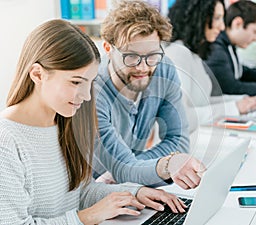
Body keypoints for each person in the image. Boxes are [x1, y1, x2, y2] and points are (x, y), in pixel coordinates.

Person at [0, 19, 189, 225]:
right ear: (37, 74)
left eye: (89, 84)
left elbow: (81, 192)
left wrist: (135, 192)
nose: (86, 96)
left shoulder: (65, 122)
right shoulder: (7, 141)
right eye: (76, 82)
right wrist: (87, 217)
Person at [93, 0, 203, 189]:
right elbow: (119, 170)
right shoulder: (92, 90)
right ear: (108, 49)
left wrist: (131, 168)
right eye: (132, 57)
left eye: (152, 55)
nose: (143, 67)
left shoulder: (163, 68)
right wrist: (165, 164)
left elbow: (179, 141)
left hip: (131, 187)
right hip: (94, 192)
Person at [165, 0, 256, 132]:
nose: (222, 27)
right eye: (217, 18)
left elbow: (203, 102)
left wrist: (241, 101)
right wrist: (234, 107)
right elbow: (181, 116)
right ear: (199, 17)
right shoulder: (178, 54)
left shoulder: (193, 55)